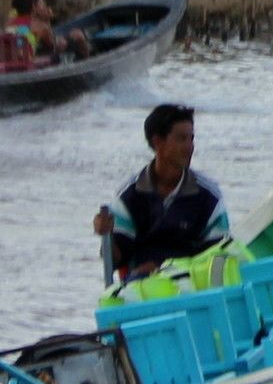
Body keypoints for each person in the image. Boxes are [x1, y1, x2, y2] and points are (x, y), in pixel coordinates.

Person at [97, 102, 229, 282]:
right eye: (182, 139)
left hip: (192, 287)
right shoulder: (129, 196)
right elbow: (114, 261)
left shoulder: (208, 197)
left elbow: (220, 259)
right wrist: (107, 235)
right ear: (158, 142)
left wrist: (165, 270)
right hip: (141, 289)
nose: (190, 147)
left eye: (191, 138)